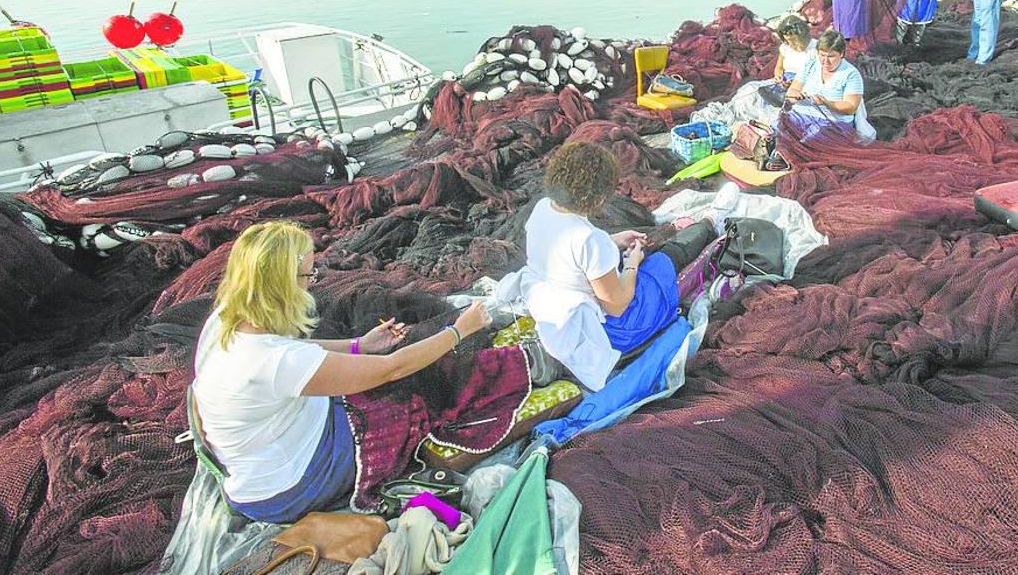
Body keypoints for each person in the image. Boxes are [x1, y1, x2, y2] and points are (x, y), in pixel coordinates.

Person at [191, 221, 492, 523]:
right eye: (309, 274)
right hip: (290, 487)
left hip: (256, 465)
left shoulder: (226, 317)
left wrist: (359, 345)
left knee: (375, 383)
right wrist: (459, 330)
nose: (312, 281)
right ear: (283, 284)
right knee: (404, 403)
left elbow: (294, 351)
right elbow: (394, 368)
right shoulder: (273, 360)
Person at [511, 142, 739, 391]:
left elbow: (570, 255)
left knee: (637, 251)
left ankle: (695, 226)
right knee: (662, 262)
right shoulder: (588, 240)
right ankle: (710, 220)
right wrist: (632, 264)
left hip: (561, 311)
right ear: (596, 196)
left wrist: (614, 241)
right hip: (609, 334)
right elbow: (617, 305)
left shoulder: (542, 208)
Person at [784, 29, 868, 139]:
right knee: (778, 129)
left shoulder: (851, 74)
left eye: (831, 56)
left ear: (842, 53)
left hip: (833, 122)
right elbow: (792, 90)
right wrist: (796, 96)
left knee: (811, 138)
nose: (825, 61)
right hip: (802, 114)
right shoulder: (811, 64)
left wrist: (826, 103)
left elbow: (851, 107)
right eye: (822, 55)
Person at [772, 15, 817, 82]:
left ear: (802, 34)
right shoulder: (785, 47)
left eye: (794, 39)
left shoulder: (816, 47)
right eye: (788, 40)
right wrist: (778, 77)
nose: (791, 43)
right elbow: (779, 67)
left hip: (806, 82)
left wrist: (796, 82)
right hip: (786, 79)